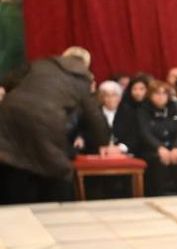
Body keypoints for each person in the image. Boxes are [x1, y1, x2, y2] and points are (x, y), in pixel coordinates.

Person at [0, 46, 111, 204]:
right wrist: (103, 141)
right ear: (86, 64)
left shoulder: (40, 64)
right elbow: (93, 114)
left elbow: (8, 81)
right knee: (57, 172)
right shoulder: (83, 78)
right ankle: (59, 213)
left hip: (7, 115)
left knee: (12, 163)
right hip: (46, 120)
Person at [135, 82, 177, 196]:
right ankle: (159, 194)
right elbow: (145, 133)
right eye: (157, 93)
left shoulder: (176, 108)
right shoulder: (143, 110)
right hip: (151, 148)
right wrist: (159, 147)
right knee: (159, 161)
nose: (161, 97)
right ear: (150, 95)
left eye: (164, 94)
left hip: (174, 146)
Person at [114, 73, 152, 145]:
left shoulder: (151, 107)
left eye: (141, 89)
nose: (138, 92)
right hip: (126, 145)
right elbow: (118, 129)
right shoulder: (124, 107)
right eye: (134, 89)